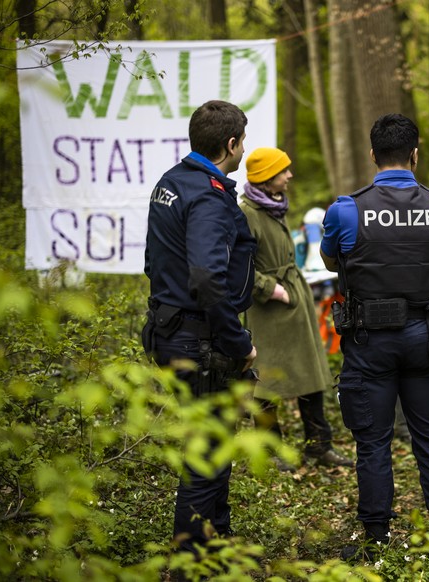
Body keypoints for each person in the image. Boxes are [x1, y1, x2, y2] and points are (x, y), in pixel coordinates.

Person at [320, 113, 429, 559]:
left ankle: (377, 537)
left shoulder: (345, 209)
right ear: (415, 155)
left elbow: (330, 263)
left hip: (369, 342)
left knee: (374, 440)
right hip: (427, 335)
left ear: (372, 155)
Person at [142, 100, 258, 555]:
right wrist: (238, 341)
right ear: (231, 145)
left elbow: (153, 261)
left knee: (211, 443)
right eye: (243, 141)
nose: (244, 149)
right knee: (206, 455)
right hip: (198, 339)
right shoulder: (207, 195)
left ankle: (216, 539)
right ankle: (191, 557)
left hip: (171, 329)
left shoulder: (170, 183)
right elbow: (209, 278)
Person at [239, 147, 352, 470]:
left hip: (295, 302)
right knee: (266, 382)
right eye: (283, 170)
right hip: (270, 309)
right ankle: (269, 450)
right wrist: (271, 290)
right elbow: (240, 265)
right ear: (266, 177)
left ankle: (319, 447)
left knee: (310, 375)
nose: (289, 176)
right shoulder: (247, 212)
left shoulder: (273, 205)